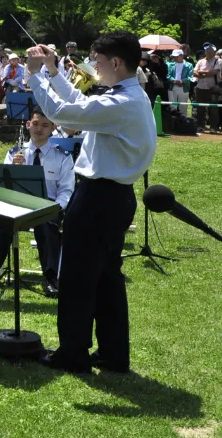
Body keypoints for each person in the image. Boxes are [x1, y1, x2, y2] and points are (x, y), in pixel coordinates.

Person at [25, 33, 156, 374]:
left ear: (116, 63)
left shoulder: (119, 104)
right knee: (106, 278)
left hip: (99, 196)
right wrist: (53, 71)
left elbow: (60, 112)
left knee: (77, 277)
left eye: (97, 62)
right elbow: (79, 110)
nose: (93, 69)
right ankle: (113, 354)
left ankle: (73, 352)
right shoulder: (125, 97)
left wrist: (33, 73)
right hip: (114, 197)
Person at [0, 107, 73, 296]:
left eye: (45, 125)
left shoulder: (62, 156)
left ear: (53, 128)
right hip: (18, 205)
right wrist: (13, 169)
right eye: (35, 124)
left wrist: (56, 208)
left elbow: (66, 190)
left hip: (47, 207)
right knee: (3, 219)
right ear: (29, 125)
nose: (39, 129)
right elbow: (2, 188)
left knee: (47, 226)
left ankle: (51, 278)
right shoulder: (15, 153)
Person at [193, 43, 220, 133]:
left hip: (212, 88)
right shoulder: (200, 61)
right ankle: (200, 126)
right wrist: (202, 73)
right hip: (200, 87)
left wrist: (201, 72)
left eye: (210, 51)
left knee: (213, 109)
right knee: (200, 109)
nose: (208, 52)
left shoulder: (218, 61)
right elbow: (194, 72)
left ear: (214, 52)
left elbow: (213, 72)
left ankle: (213, 127)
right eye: (207, 50)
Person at [166, 48, 192, 113]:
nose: (174, 58)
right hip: (172, 87)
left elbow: (190, 77)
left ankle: (183, 122)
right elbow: (168, 75)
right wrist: (174, 81)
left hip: (183, 88)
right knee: (172, 107)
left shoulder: (189, 65)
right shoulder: (170, 65)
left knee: (183, 108)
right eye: (173, 57)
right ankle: (172, 122)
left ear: (182, 56)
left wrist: (182, 81)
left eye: (176, 57)